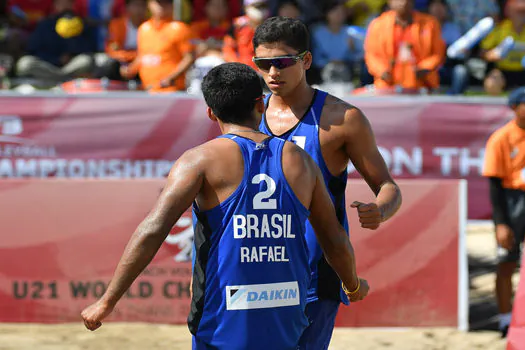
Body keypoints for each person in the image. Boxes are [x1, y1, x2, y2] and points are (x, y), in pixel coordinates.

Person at [80, 62, 370, 349]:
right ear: (261, 104)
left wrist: (107, 301)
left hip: (223, 317)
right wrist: (352, 285)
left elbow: (153, 230)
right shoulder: (301, 161)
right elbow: (333, 238)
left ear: (210, 112)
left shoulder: (199, 160)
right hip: (286, 313)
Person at [254, 17, 402, 349]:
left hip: (315, 274)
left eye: (282, 62)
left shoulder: (342, 119)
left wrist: (380, 208)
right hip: (256, 269)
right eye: (264, 64)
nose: (273, 72)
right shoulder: (248, 115)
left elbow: (388, 186)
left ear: (306, 60)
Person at [482, 87, 525, 338]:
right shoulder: (501, 138)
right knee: (506, 262)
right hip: (511, 202)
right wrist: (501, 223)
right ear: (514, 107)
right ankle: (505, 320)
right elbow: (494, 185)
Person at [364, 0, 445, 92]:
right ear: (389, 2)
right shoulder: (378, 24)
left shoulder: (430, 24)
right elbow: (371, 55)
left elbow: (438, 53)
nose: (403, 2)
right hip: (387, 86)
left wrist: (424, 68)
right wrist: (382, 71)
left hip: (422, 85)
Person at [120, 0, 194, 93]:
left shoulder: (179, 28)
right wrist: (130, 70)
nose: (162, 6)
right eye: (159, 2)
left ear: (172, 5)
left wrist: (170, 78)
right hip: (147, 89)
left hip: (171, 90)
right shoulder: (143, 28)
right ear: (150, 4)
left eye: (166, 2)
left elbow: (189, 58)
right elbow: (142, 56)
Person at [15, 0, 97, 83]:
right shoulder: (45, 24)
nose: (65, 6)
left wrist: (72, 53)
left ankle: (58, 79)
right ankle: (63, 79)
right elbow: (34, 50)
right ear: (55, 5)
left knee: (87, 60)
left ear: (73, 5)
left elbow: (90, 50)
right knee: (25, 63)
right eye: (61, 3)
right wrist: (57, 59)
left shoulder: (83, 24)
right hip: (48, 67)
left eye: (68, 3)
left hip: (72, 67)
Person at [223, 0, 270, 69]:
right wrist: (236, 65)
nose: (260, 9)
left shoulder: (272, 25)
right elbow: (228, 48)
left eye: (263, 6)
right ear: (246, 8)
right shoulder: (237, 25)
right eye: (256, 6)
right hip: (241, 68)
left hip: (265, 68)